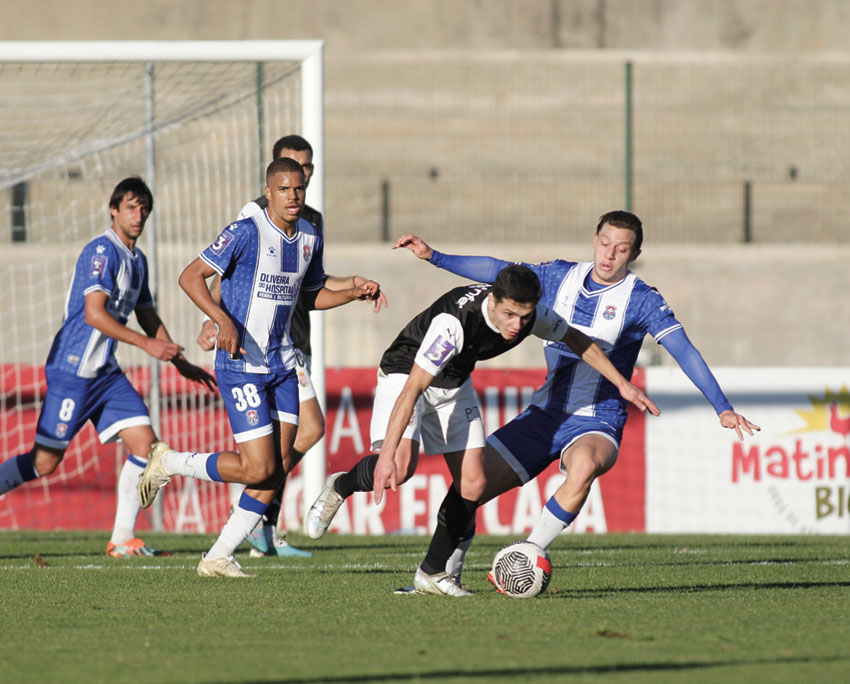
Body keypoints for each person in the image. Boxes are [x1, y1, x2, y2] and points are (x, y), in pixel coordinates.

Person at [390, 210, 761, 595]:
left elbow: (685, 351)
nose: (609, 255)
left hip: (597, 418)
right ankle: (443, 574)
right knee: (470, 487)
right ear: (595, 239)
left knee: (583, 465)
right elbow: (497, 270)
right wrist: (435, 256)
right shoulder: (558, 276)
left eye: (621, 249)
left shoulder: (642, 299)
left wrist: (722, 407)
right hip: (544, 414)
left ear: (634, 253)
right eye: (605, 244)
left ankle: (527, 557)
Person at [304, 262, 658, 595]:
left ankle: (431, 573)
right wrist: (384, 458)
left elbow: (577, 340)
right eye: (508, 314)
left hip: (455, 384)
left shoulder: (530, 315)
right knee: (398, 468)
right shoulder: (454, 324)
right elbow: (413, 388)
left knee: (473, 483)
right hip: (406, 374)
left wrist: (622, 384)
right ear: (493, 300)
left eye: (524, 316)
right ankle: (340, 485)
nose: (516, 325)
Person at [138, 157, 383, 578]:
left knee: (277, 466)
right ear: (268, 192)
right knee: (257, 468)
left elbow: (310, 294)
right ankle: (171, 462)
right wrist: (222, 320)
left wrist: (351, 293)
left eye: (298, 189)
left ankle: (218, 556)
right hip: (241, 364)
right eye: (284, 189)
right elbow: (190, 277)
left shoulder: (309, 235)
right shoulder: (246, 231)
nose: (292, 196)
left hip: (283, 363)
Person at [0, 177, 215, 557]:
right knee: (45, 462)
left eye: (144, 208)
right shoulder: (102, 251)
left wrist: (179, 361)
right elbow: (94, 314)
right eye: (131, 207)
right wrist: (148, 345)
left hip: (105, 374)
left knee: (146, 447)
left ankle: (122, 539)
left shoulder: (139, 260)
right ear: (114, 210)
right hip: (73, 371)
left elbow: (147, 315)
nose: (139, 215)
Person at [197, 134, 387, 558]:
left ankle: (258, 516)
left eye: (303, 175)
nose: (295, 188)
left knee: (289, 448)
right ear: (272, 181)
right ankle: (251, 505)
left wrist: (353, 287)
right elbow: (222, 268)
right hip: (255, 349)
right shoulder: (254, 216)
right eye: (287, 178)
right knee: (296, 440)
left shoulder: (310, 225)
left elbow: (311, 284)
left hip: (290, 343)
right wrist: (214, 319)